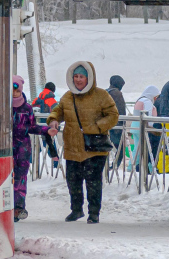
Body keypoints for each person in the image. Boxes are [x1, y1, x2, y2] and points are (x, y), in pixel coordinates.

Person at [46, 61, 118, 223]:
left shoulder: (101, 95)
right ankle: (76, 210)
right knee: (73, 180)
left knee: (93, 181)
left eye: (82, 77)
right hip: (73, 146)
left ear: (89, 78)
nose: (78, 80)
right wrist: (53, 120)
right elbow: (58, 111)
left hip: (95, 147)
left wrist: (96, 127)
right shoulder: (67, 96)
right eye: (76, 76)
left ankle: (94, 213)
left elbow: (113, 115)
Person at [11, 74, 54, 221]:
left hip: (22, 149)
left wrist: (46, 130)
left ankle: (18, 208)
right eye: (11, 89)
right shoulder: (3, 106)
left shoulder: (27, 107)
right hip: (5, 148)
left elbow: (32, 127)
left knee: (21, 179)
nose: (14, 93)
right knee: (7, 179)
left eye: (16, 90)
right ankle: (7, 208)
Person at [32, 82, 60, 170]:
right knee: (52, 146)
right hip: (49, 129)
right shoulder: (52, 100)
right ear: (53, 90)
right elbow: (57, 112)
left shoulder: (37, 99)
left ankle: (30, 165)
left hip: (39, 128)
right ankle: (56, 166)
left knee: (37, 147)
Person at [132, 84, 161, 166]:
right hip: (142, 126)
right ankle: (142, 167)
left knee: (136, 148)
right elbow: (148, 116)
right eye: (155, 96)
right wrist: (152, 129)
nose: (156, 98)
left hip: (135, 125)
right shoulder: (147, 101)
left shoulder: (140, 99)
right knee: (145, 149)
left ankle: (132, 166)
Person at [106, 75, 127, 149]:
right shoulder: (117, 93)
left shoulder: (105, 92)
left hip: (107, 124)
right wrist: (123, 124)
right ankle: (115, 161)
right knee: (120, 150)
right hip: (117, 126)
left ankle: (112, 161)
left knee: (108, 148)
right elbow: (121, 110)